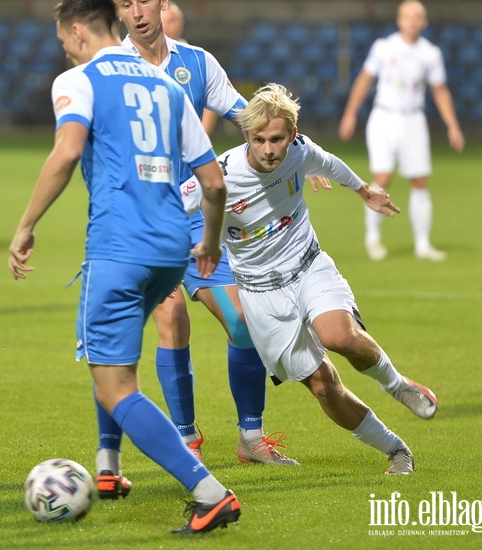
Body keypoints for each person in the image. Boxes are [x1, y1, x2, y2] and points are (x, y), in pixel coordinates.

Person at [8, 0, 241, 534]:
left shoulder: (78, 79)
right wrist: (206, 243)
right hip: (170, 247)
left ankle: (210, 492)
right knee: (114, 360)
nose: (64, 50)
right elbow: (212, 182)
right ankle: (107, 468)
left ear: (79, 32)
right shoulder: (166, 84)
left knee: (114, 381)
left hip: (118, 246)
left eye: (65, 40)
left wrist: (26, 224)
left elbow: (66, 152)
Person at [105, 0, 300, 481]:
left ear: (163, 0)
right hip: (143, 220)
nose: (137, 12)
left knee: (242, 324)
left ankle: (251, 438)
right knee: (171, 320)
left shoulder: (197, 63)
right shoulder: (111, 69)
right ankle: (187, 439)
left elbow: (250, 118)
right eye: (126, 5)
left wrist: (302, 152)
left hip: (197, 215)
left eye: (144, 0)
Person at [182, 83, 438, 475]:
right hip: (259, 293)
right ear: (246, 136)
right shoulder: (220, 174)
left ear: (292, 136)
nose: (269, 149)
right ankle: (396, 449)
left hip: (307, 267)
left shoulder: (300, 152)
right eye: (260, 139)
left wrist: (363, 191)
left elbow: (330, 163)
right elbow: (170, 207)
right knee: (322, 384)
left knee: (338, 335)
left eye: (278, 139)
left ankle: (396, 383)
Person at [338, 0, 465, 262]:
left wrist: (453, 125)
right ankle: (373, 239)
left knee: (419, 180)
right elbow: (364, 79)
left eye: (416, 17)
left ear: (424, 22)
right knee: (382, 177)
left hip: (413, 120)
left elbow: (440, 91)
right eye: (406, 16)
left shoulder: (430, 53)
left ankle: (422, 243)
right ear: (399, 21)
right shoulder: (384, 48)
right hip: (384, 117)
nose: (411, 22)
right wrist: (350, 113)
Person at [160, 1, 219, 134]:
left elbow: (213, 98)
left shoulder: (197, 59)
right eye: (163, 21)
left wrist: (201, 137)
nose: (166, 26)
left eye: (171, 21)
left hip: (189, 137)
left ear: (181, 23)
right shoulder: (142, 57)